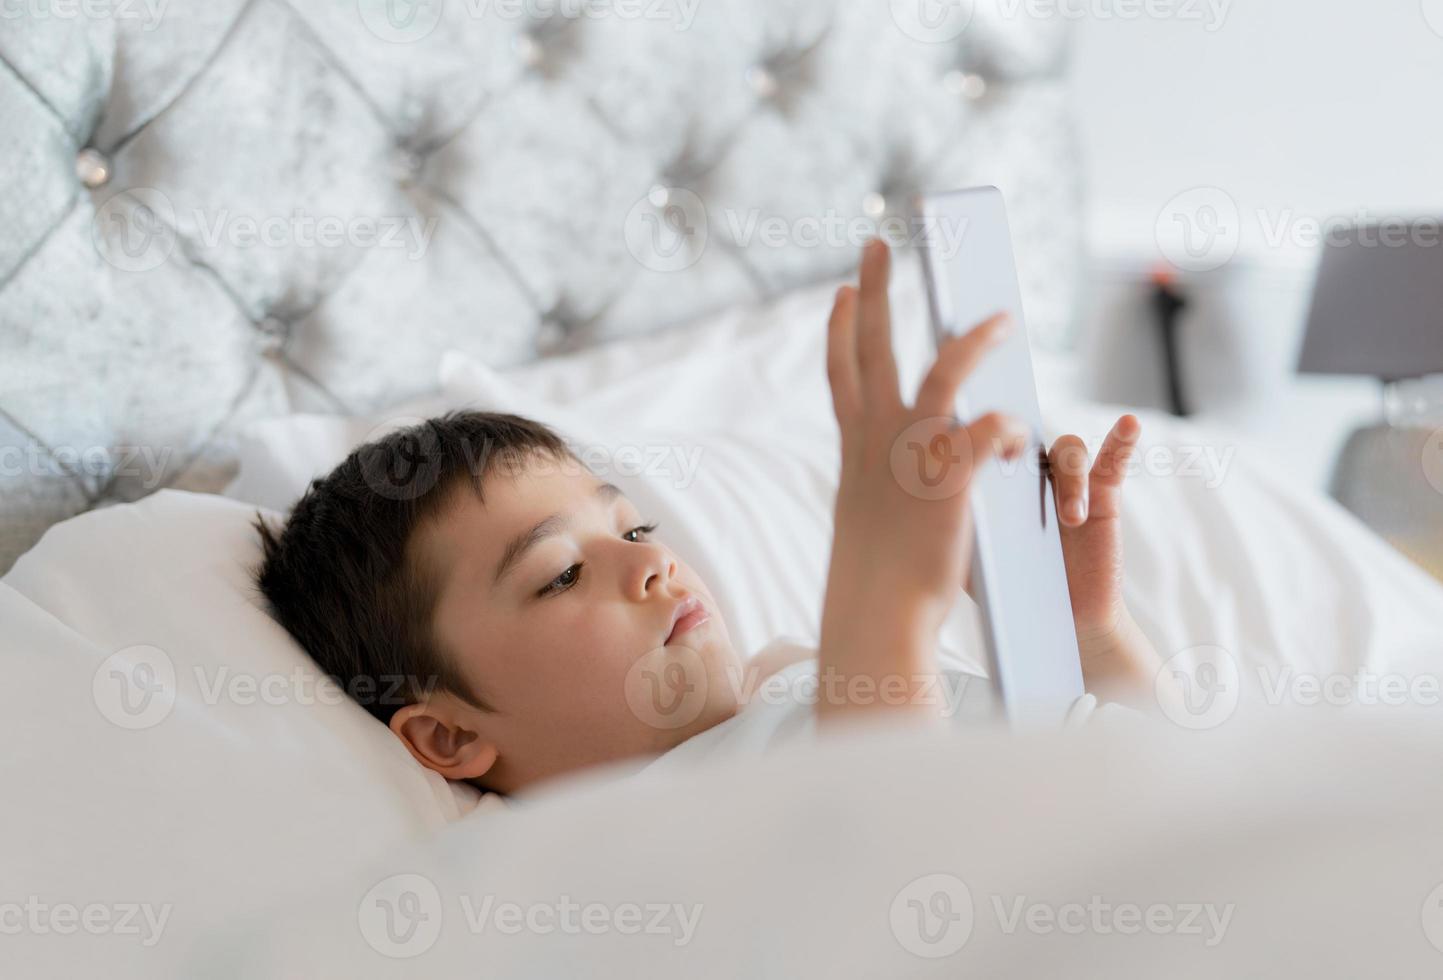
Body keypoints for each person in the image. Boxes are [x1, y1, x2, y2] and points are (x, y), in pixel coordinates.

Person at [253, 239, 1161, 797]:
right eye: (561, 574)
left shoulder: (797, 687)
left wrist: (1083, 628)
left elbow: (1160, 783)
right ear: (448, 735)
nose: (650, 567)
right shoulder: (619, 854)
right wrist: (882, 598)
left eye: (635, 530)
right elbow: (895, 863)